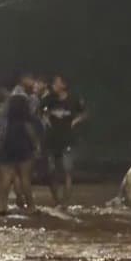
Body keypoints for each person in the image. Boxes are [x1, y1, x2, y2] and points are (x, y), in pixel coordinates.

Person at [41, 74, 87, 207]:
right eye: (54, 83)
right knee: (52, 171)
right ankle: (57, 200)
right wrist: (46, 120)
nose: (54, 85)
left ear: (64, 85)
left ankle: (65, 202)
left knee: (67, 170)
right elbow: (39, 111)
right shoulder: (49, 99)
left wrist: (76, 121)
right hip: (52, 138)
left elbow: (85, 112)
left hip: (68, 138)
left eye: (57, 83)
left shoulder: (74, 99)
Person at [0, 93, 39, 214]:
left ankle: (0, 206)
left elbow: (0, 135)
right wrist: (36, 147)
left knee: (5, 178)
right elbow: (31, 134)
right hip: (24, 148)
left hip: (7, 148)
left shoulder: (5, 120)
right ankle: (31, 206)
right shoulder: (26, 121)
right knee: (25, 178)